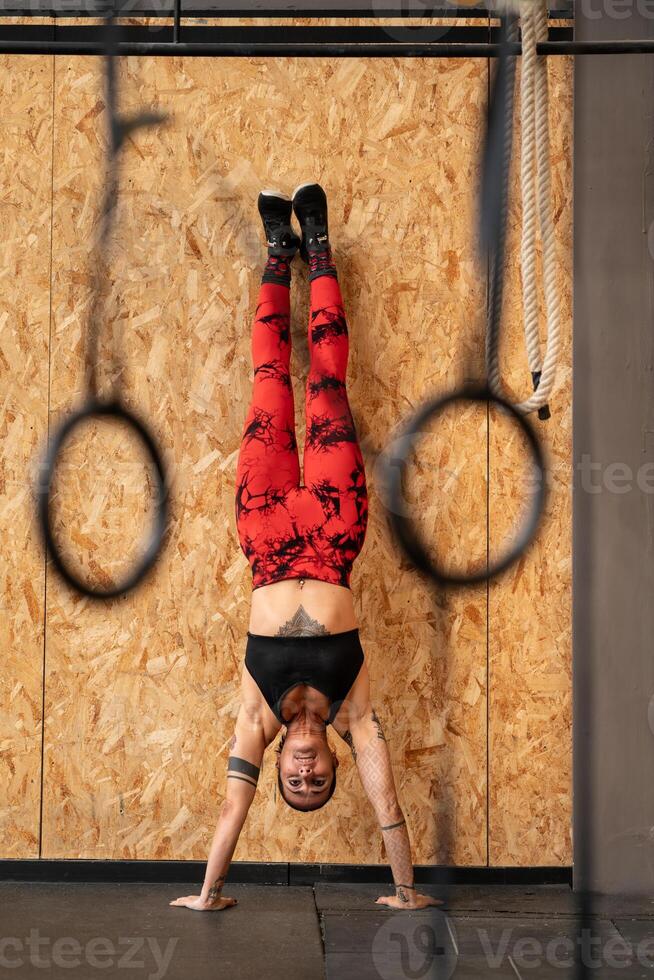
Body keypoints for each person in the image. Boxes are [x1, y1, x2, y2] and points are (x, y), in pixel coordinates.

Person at [170, 184, 440, 913]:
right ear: (328, 765)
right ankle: (315, 244)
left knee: (268, 381)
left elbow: (231, 813)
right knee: (324, 382)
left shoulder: (257, 717)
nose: (305, 772)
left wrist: (209, 894)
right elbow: (386, 800)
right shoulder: (355, 712)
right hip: (331, 529)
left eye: (295, 782)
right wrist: (406, 891)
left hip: (264, 535)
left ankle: (274, 256)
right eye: (317, 779)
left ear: (282, 768)